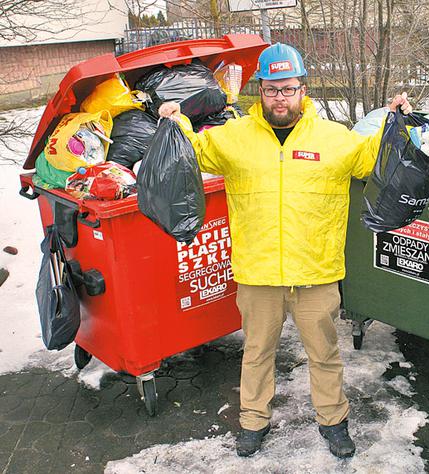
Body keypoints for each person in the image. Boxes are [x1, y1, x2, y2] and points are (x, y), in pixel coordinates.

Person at [159, 43, 412, 459]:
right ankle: (253, 422)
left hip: (315, 271)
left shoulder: (334, 139)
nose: (281, 97)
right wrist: (176, 122)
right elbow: (194, 153)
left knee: (325, 355)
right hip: (258, 273)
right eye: (272, 88)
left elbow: (372, 160)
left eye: (289, 88)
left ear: (303, 89)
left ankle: (333, 421)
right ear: (260, 90)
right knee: (257, 354)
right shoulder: (234, 138)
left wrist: (394, 120)